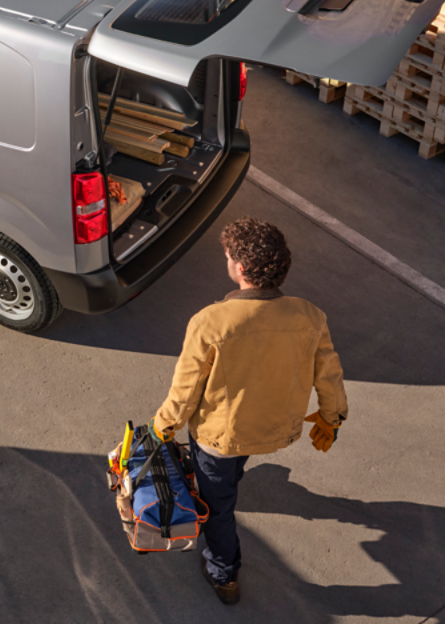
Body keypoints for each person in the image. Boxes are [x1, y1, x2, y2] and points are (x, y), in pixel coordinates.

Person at [149, 216, 347, 605]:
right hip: (274, 427)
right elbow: (329, 374)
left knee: (217, 508)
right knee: (232, 469)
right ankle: (231, 479)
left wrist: (162, 428)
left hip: (220, 438)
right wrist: (331, 416)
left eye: (227, 256)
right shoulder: (310, 315)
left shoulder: (211, 321)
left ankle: (224, 573)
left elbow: (186, 390)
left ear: (239, 268)